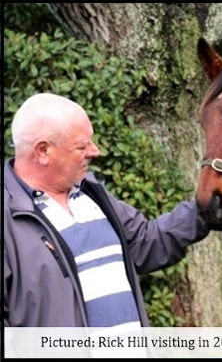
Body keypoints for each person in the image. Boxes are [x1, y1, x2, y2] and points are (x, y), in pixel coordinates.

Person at [4, 93, 209, 328]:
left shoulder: (91, 193)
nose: (95, 151)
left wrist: (204, 212)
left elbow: (145, 242)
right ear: (43, 151)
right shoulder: (8, 218)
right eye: (82, 145)